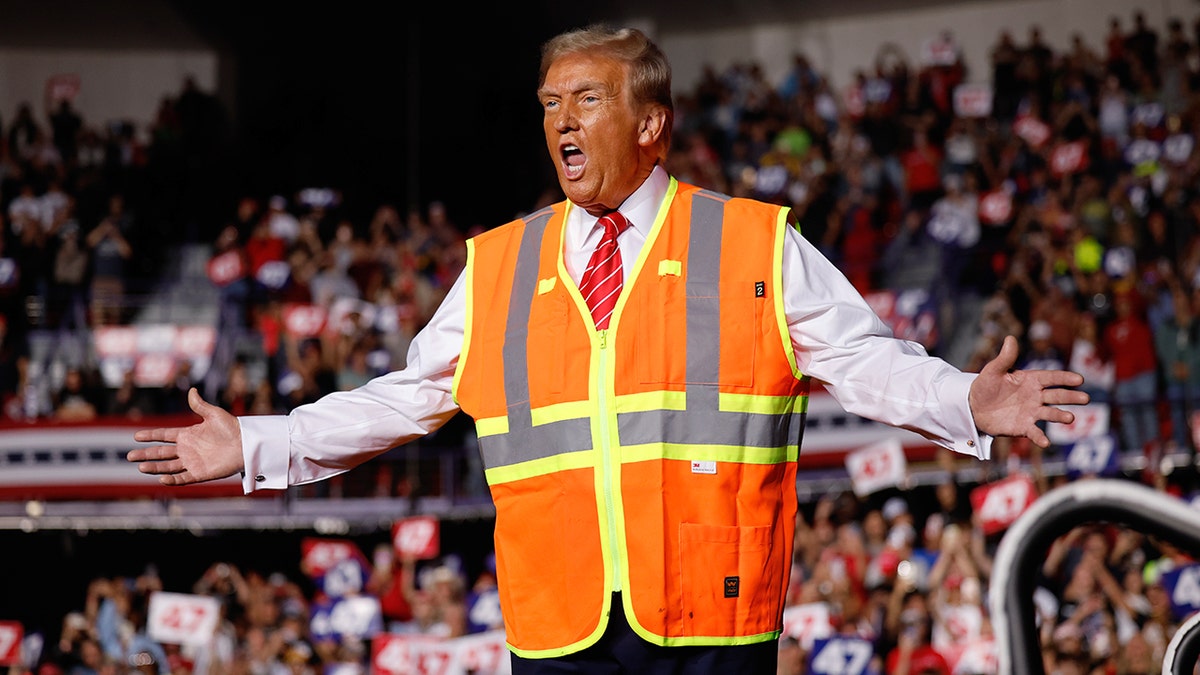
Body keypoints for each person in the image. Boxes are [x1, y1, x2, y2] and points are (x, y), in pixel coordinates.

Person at [129, 24, 1089, 674]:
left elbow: (866, 359)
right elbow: (399, 398)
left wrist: (968, 400)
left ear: (651, 123)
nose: (560, 123)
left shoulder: (750, 240)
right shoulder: (500, 264)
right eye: (549, 104)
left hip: (712, 617)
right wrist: (254, 444)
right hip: (558, 624)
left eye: (584, 100)